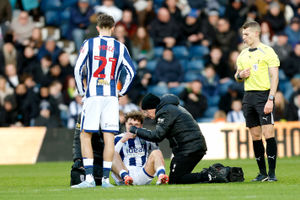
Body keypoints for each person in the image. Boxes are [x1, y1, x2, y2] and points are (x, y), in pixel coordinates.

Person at [72, 13, 136, 188]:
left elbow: (78, 68)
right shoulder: (120, 47)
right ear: (113, 28)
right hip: (110, 96)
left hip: (93, 94)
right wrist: (121, 91)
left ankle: (90, 179)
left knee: (86, 135)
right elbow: (131, 71)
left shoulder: (89, 43)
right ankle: (106, 180)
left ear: (98, 28)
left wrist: (82, 90)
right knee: (109, 136)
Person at [129, 93, 227, 184]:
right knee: (179, 177)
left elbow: (157, 136)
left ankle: (209, 175)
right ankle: (223, 172)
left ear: (153, 107)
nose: (146, 115)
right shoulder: (170, 108)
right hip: (192, 146)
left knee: (176, 180)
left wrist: (135, 130)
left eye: (146, 111)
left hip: (189, 149)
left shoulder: (165, 112)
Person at [235, 21, 280, 182]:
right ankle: (262, 173)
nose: (243, 37)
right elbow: (237, 75)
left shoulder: (267, 51)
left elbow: (275, 77)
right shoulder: (242, 54)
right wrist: (241, 75)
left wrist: (271, 99)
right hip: (248, 97)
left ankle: (272, 173)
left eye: (246, 34)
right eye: (242, 34)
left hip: (264, 96)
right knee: (255, 136)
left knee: (268, 133)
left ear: (256, 33)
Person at [111, 111, 169, 185]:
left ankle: (161, 177)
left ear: (141, 126)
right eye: (130, 124)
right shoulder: (117, 138)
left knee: (157, 152)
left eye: (136, 125)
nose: (132, 127)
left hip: (143, 173)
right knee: (111, 153)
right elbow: (112, 158)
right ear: (125, 124)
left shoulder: (146, 137)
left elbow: (157, 154)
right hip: (124, 174)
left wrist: (148, 136)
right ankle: (126, 177)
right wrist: (122, 141)